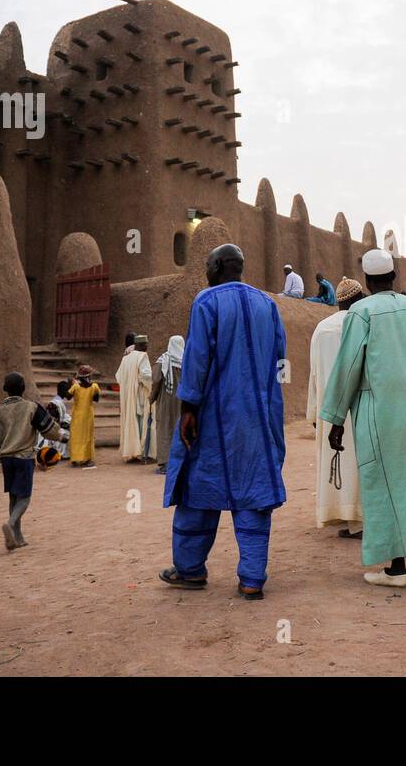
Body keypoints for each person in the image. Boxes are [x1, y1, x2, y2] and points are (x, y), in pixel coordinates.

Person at [319, 248, 406, 587]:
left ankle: (396, 568)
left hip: (381, 411)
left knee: (384, 483)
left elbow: (349, 366)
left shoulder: (362, 313)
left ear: (368, 281)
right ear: (394, 277)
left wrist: (336, 418)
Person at [159, 243, 287, 600]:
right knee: (254, 492)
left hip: (214, 417)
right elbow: (280, 358)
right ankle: (251, 579)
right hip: (258, 419)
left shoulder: (207, 301)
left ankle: (190, 570)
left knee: (197, 489)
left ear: (216, 267)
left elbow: (197, 358)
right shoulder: (268, 304)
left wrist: (188, 408)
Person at [306, 277, 366, 538]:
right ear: (358, 299)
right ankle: (360, 521)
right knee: (359, 461)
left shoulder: (322, 328)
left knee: (336, 459)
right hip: (357, 406)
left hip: (329, 410)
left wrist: (315, 412)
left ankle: (343, 516)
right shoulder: (362, 323)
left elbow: (314, 376)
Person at [0, 372, 66, 550]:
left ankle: (17, 538)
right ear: (23, 389)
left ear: (5, 390)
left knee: (13, 497)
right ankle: (10, 525)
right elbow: (48, 429)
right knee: (24, 498)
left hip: (6, 460)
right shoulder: (31, 408)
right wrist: (61, 437)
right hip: (24, 459)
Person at [150, 335, 185, 476]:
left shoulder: (163, 360)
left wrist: (152, 397)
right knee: (179, 429)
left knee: (165, 429)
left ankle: (165, 463)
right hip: (182, 401)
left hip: (166, 400)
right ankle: (181, 462)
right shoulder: (186, 360)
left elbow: (157, 380)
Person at [116, 334, 154, 463]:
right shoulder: (142, 356)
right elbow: (147, 376)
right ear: (142, 345)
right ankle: (141, 452)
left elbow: (118, 377)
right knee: (141, 423)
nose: (147, 347)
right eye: (146, 345)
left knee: (131, 421)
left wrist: (129, 385)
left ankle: (131, 452)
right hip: (140, 395)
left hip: (128, 396)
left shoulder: (125, 358)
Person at [67, 365, 100, 468]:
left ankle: (75, 459)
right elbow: (96, 399)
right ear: (89, 376)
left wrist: (71, 383)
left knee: (76, 435)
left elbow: (68, 396)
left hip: (77, 415)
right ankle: (88, 459)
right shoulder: (94, 386)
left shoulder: (75, 387)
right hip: (88, 415)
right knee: (88, 436)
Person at [39, 380, 73, 461]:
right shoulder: (56, 404)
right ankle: (62, 454)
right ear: (64, 391)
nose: (69, 393)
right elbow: (54, 422)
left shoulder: (56, 402)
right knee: (69, 434)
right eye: (68, 391)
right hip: (53, 430)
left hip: (51, 429)